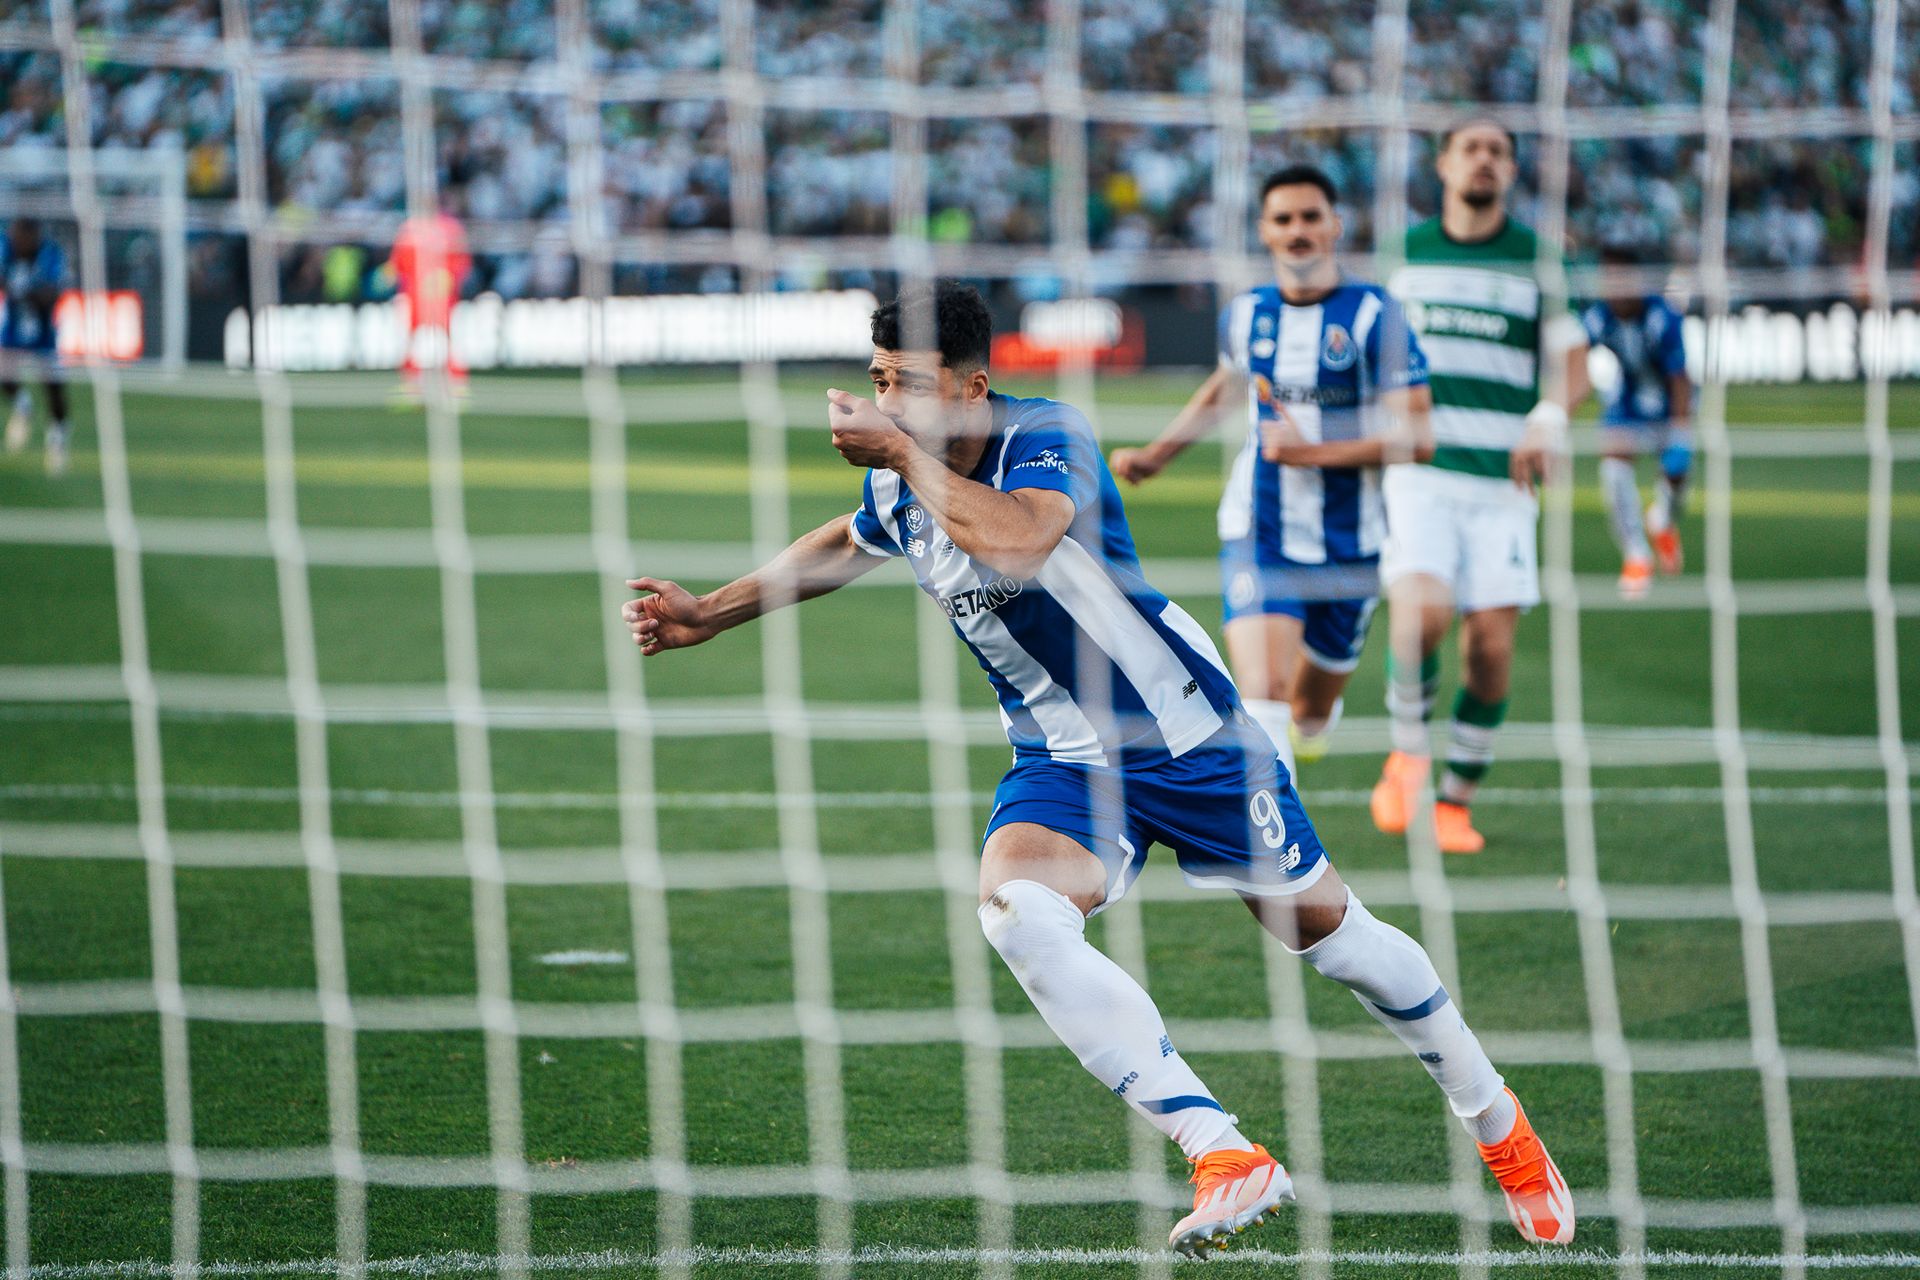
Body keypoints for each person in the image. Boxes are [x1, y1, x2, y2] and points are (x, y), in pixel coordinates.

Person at [623, 281, 1573, 1254]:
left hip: (1190, 741)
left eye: (906, 385)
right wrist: (710, 612)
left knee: (1337, 940)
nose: (881, 404)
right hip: (1062, 762)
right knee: (1015, 911)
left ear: (972, 388)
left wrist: (904, 453)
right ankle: (1221, 1151)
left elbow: (1023, 536)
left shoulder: (1046, 435)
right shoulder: (895, 485)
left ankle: (1498, 1122)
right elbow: (846, 539)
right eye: (876, 382)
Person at [1111, 165, 1433, 772]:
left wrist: (1312, 451)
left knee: (1309, 710)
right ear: (1265, 231)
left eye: (1311, 216)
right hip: (1260, 532)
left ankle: (1313, 725)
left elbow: (1418, 436)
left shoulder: (1375, 317)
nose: (1298, 230)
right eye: (1284, 219)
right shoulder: (1246, 314)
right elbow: (1224, 388)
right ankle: (1281, 852)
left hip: (1351, 542)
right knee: (1264, 693)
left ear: (1336, 225)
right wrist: (1158, 454)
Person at [1370, 121, 1591, 855]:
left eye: (1499, 151)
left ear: (1513, 172)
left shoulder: (1540, 261)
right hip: (1419, 475)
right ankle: (1408, 753)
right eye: (1472, 148)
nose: (1485, 160)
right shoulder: (1404, 256)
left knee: (1490, 648)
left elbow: (1574, 365)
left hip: (1503, 484)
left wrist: (1549, 418)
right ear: (1442, 164)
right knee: (1419, 617)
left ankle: (1456, 800)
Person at [1580, 244, 1692, 598]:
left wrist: (1680, 432)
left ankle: (1662, 521)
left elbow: (1680, 378)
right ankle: (1637, 556)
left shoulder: (1663, 317)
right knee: (1613, 466)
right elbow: (1575, 354)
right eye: (1606, 279)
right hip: (1626, 403)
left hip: (1667, 407)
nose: (1612, 287)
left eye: (1619, 278)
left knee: (1676, 479)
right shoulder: (1598, 317)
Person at [1, 218, 73, 476]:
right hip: (13, 329)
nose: (15, 239)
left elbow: (52, 295)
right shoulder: (5, 247)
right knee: (3, 372)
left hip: (43, 333)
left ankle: (58, 439)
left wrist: (25, 292)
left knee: (54, 387)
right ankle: (23, 407)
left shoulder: (50, 254)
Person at [389, 199, 471, 388]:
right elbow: (398, 262)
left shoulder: (449, 227)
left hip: (443, 296)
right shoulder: (410, 228)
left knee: (448, 337)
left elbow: (461, 261)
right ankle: (412, 385)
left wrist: (449, 278)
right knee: (411, 338)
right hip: (414, 295)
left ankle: (456, 383)